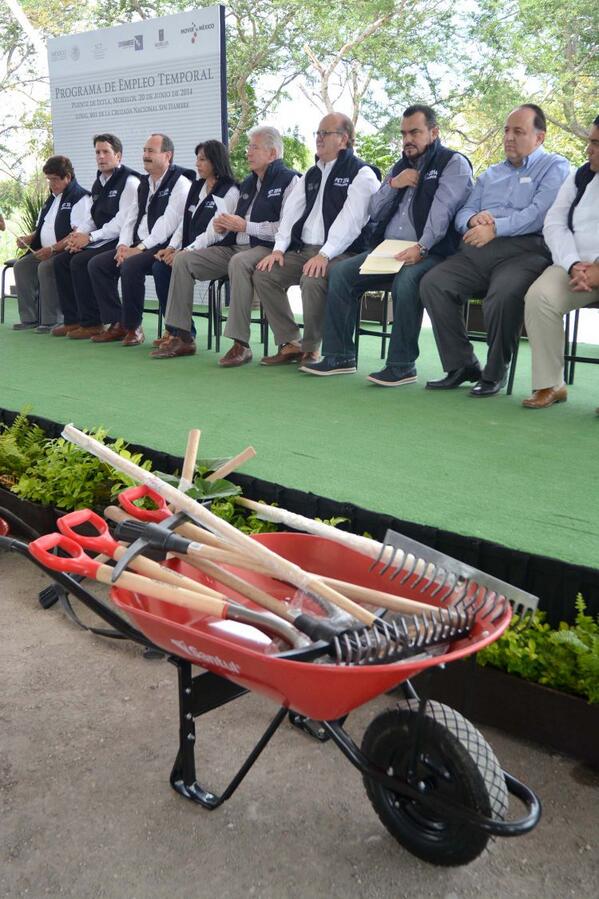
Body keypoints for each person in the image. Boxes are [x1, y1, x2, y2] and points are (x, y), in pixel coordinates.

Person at [300, 104, 473, 380]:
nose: (407, 140)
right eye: (404, 134)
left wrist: (421, 247)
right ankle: (339, 356)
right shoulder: (400, 166)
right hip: (388, 250)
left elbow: (443, 213)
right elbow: (375, 210)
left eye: (415, 132)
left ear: (434, 132)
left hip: (432, 251)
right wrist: (394, 184)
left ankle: (402, 365)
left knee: (407, 281)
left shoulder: (453, 163)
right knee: (341, 273)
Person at [420, 104, 570, 397]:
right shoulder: (491, 174)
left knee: (502, 295)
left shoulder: (554, 167)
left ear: (539, 137)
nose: (509, 138)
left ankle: (495, 371)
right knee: (434, 283)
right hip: (478, 250)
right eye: (506, 131)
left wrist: (495, 228)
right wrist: (473, 220)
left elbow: (539, 213)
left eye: (519, 131)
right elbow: (464, 211)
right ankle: (462, 364)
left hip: (525, 251)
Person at [152, 126, 298, 360]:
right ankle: (182, 336)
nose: (248, 152)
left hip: (265, 248)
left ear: (272, 154)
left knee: (239, 261)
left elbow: (286, 229)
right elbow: (230, 223)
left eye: (254, 147)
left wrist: (245, 226)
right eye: (248, 147)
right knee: (184, 260)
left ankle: (241, 344)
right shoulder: (248, 183)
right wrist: (223, 226)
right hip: (232, 246)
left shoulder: (290, 181)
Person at [252, 112, 380, 366]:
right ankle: (290, 342)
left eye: (325, 133)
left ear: (343, 139)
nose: (319, 138)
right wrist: (278, 249)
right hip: (305, 250)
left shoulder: (362, 174)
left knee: (312, 279)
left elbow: (351, 221)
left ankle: (312, 348)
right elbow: (291, 212)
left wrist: (325, 254)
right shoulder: (311, 173)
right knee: (265, 274)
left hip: (343, 252)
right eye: (318, 133)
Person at [522, 116, 599, 409]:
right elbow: (554, 223)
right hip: (574, 266)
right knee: (540, 297)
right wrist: (573, 264)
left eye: (596, 144)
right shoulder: (581, 176)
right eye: (590, 141)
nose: (588, 150)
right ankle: (551, 384)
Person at [88, 133, 191, 346]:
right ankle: (118, 323)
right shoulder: (144, 183)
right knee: (98, 264)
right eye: (144, 150)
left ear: (167, 155)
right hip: (139, 244)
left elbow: (168, 223)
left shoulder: (180, 182)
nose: (145, 155)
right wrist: (123, 245)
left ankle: (133, 326)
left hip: (163, 245)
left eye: (151, 151)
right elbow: (131, 217)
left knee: (131, 265)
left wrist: (140, 248)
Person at [151, 139, 238, 349]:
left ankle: (183, 337)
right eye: (197, 159)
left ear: (216, 161)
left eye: (203, 159)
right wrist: (172, 247)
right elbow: (185, 222)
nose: (197, 164)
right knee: (160, 267)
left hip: (219, 251)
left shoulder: (230, 191)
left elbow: (213, 234)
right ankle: (176, 329)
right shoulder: (197, 186)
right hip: (192, 251)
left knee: (179, 262)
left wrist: (184, 251)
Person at [51, 134, 140, 339]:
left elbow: (123, 222)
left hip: (122, 239)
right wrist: (77, 235)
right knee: (61, 260)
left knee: (82, 261)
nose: (100, 156)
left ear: (118, 156)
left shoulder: (130, 181)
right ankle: (74, 320)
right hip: (101, 237)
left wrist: (90, 238)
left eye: (106, 152)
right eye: (97, 152)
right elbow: (92, 217)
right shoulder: (99, 182)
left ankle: (99, 323)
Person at [12, 156, 89, 331]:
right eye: (49, 179)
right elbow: (42, 227)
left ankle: (52, 320)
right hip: (46, 250)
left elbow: (77, 234)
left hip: (66, 252)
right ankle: (30, 318)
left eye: (55, 179)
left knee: (45, 267)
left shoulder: (80, 198)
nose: (51, 184)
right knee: (21, 267)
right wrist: (29, 238)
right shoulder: (51, 199)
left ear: (67, 177)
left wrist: (53, 248)